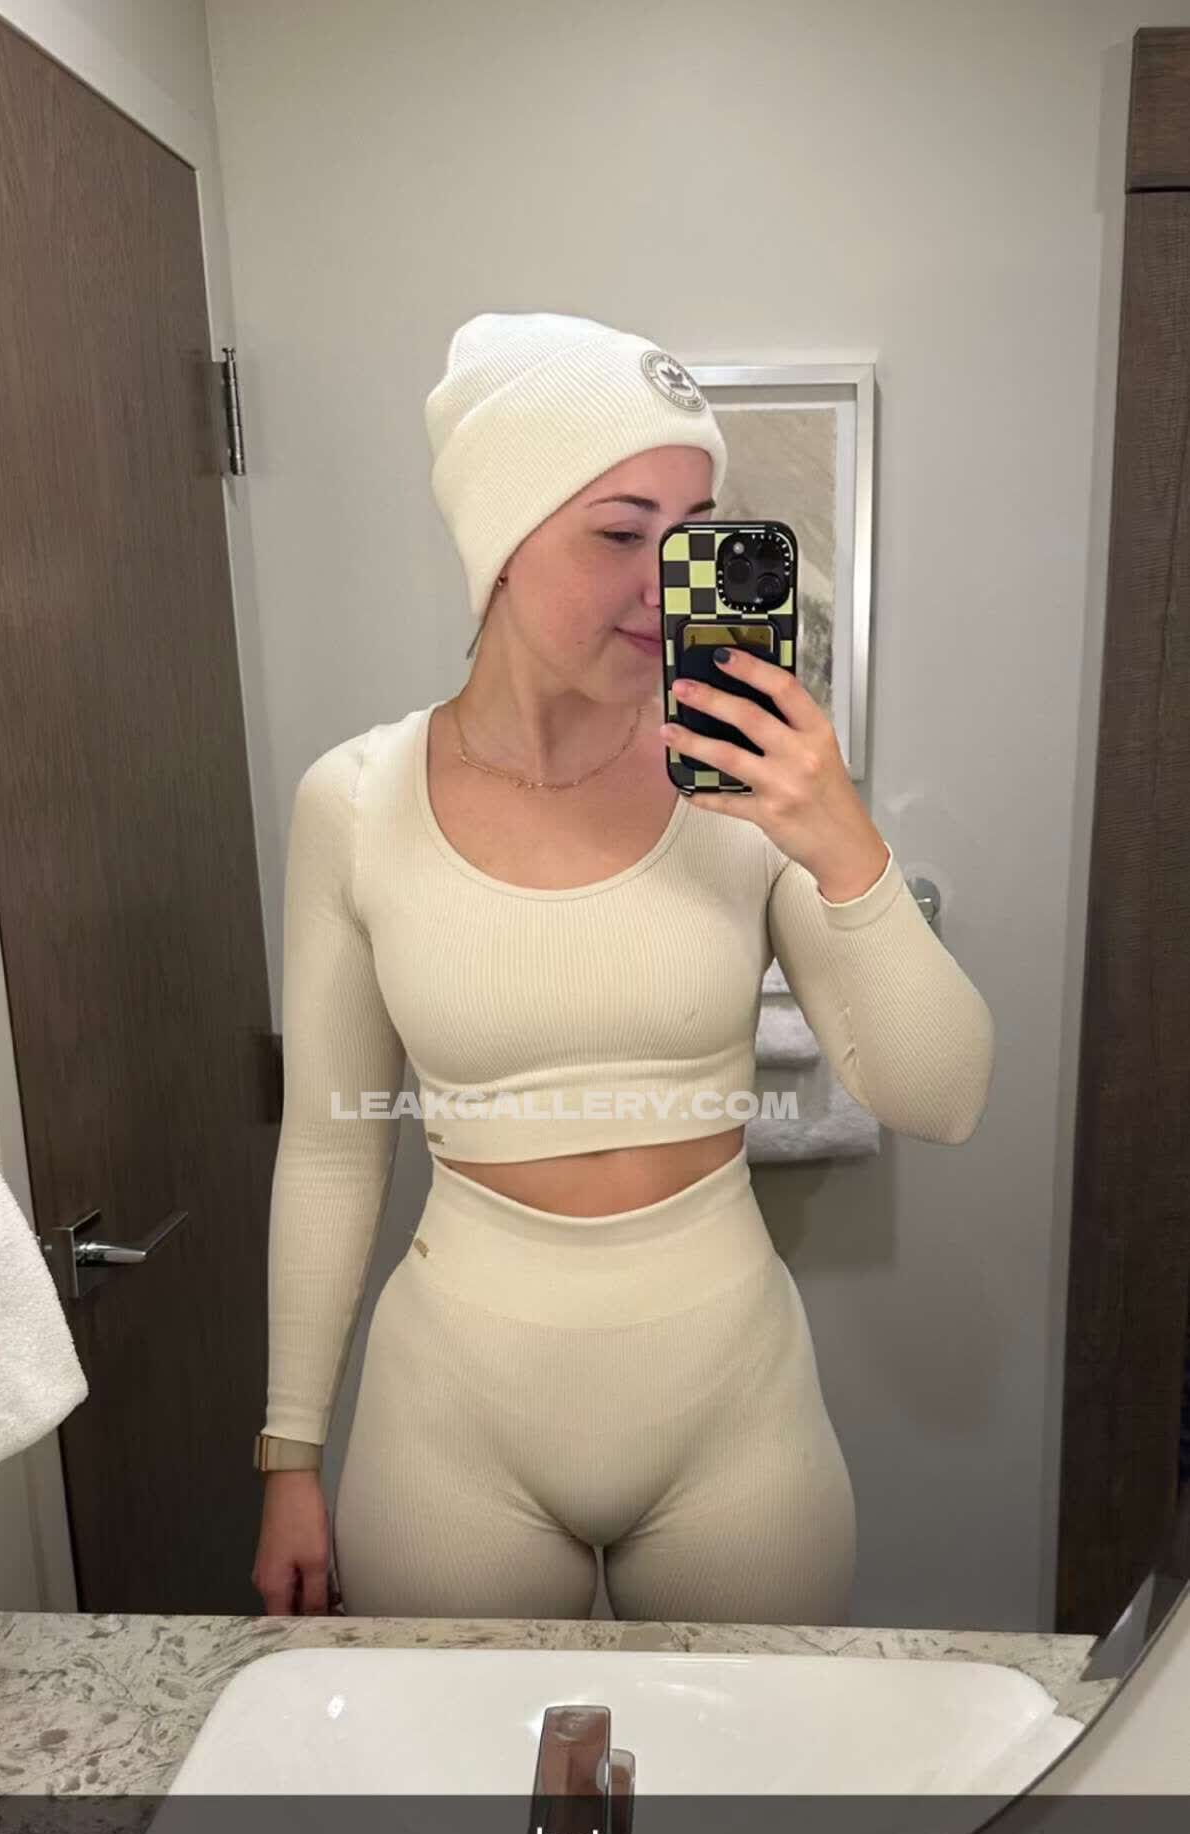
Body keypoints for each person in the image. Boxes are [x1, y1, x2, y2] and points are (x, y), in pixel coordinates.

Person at [251, 310, 995, 1623]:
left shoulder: (751, 788)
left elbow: (940, 1097)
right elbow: (327, 1146)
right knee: (459, 1756)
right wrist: (289, 1454)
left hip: (731, 1406)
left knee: (753, 1752)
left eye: (694, 530)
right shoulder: (356, 802)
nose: (667, 578)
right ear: (497, 540)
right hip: (450, 1414)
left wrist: (842, 841)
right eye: (617, 532)